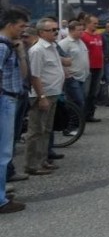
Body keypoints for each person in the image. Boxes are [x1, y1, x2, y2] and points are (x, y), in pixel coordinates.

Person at [26, 18, 65, 175]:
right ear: (41, 32)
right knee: (36, 130)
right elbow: (35, 76)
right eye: (52, 30)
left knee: (47, 130)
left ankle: (42, 160)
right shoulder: (37, 50)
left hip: (53, 93)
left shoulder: (52, 47)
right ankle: (32, 165)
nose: (56, 32)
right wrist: (41, 96)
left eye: (56, 29)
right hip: (43, 94)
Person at [0, 8, 29, 213]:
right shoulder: (2, 47)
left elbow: (24, 74)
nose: (23, 30)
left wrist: (20, 52)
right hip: (5, 100)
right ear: (10, 25)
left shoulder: (10, 45)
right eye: (21, 26)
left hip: (11, 98)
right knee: (3, 153)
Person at [58, 21, 89, 115]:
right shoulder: (64, 43)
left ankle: (76, 123)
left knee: (80, 101)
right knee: (78, 102)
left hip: (83, 77)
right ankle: (72, 124)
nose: (82, 32)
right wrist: (66, 73)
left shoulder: (81, 42)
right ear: (71, 31)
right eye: (79, 30)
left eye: (82, 30)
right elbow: (59, 59)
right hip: (72, 78)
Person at [80, 15, 104, 123]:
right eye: (94, 23)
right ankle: (82, 115)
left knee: (94, 92)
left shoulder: (98, 36)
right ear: (88, 23)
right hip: (88, 67)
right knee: (86, 92)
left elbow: (101, 50)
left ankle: (90, 114)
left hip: (98, 66)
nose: (96, 25)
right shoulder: (83, 36)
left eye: (97, 23)